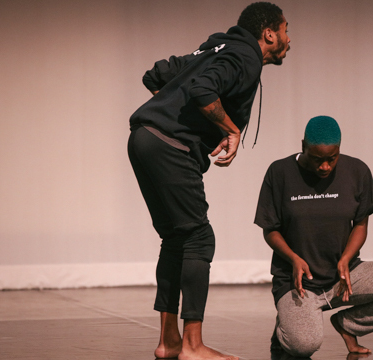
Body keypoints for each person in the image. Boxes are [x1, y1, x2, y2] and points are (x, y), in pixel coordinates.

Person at [127, 3, 290, 359]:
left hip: (143, 138)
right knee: (200, 238)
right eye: (286, 30)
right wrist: (228, 128)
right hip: (168, 146)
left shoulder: (219, 45)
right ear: (268, 34)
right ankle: (192, 346)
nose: (289, 39)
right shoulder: (244, 57)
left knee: (175, 239)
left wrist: (166, 116)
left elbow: (156, 74)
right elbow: (202, 88)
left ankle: (169, 342)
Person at [255, 116, 373, 358]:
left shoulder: (357, 171)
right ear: (303, 146)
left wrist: (346, 258)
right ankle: (287, 322)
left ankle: (348, 325)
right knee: (303, 346)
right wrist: (293, 258)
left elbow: (360, 224)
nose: (325, 166)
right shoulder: (280, 172)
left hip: (344, 275)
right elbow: (269, 229)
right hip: (298, 282)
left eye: (331, 158)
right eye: (317, 159)